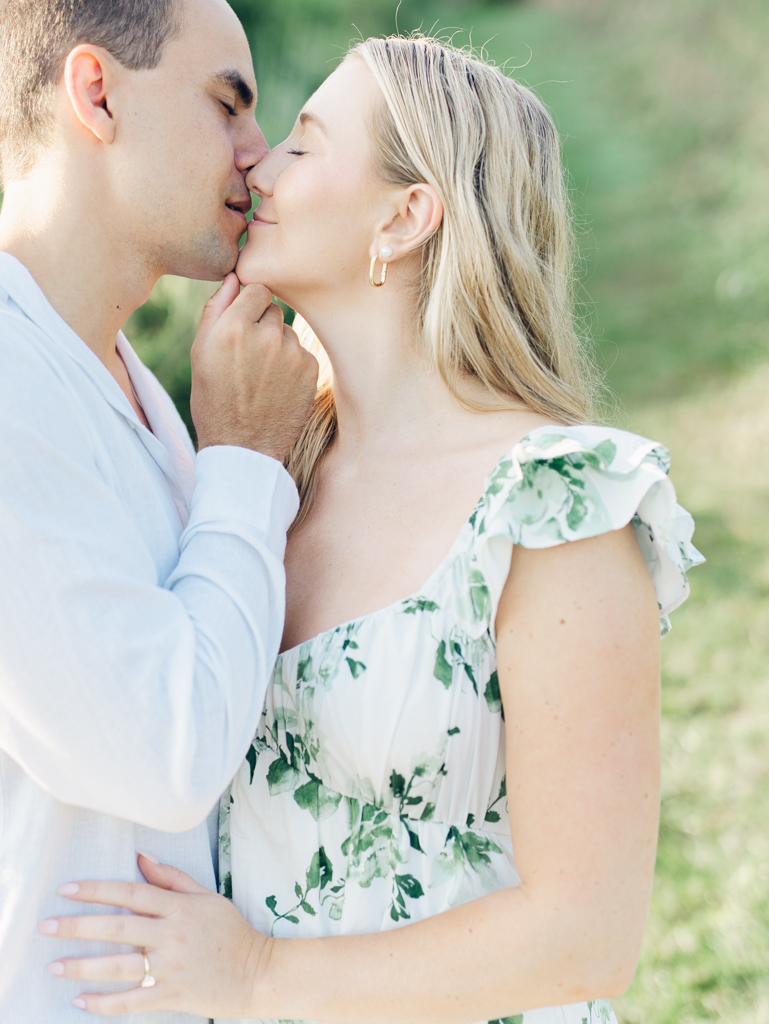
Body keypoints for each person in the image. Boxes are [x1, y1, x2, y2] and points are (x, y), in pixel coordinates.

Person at [42, 36, 704, 1024]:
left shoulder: (554, 503)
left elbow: (586, 935)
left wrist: (257, 975)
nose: (258, 162)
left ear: (404, 217)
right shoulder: (268, 480)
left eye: (304, 146)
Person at [0, 0, 317, 1021]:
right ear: (95, 93)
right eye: (228, 104)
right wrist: (243, 459)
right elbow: (168, 752)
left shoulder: (128, 382)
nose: (257, 156)